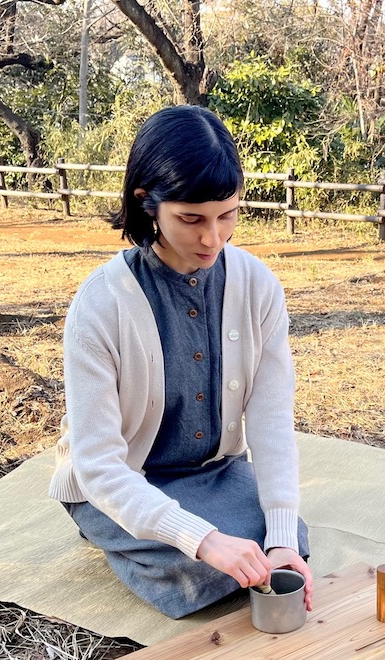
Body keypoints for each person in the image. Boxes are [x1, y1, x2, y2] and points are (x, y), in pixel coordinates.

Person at [48, 105, 312, 619]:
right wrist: (204, 541)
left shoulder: (258, 285)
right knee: (205, 564)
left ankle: (181, 541)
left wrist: (280, 535)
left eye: (228, 214)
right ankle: (135, 538)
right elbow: (98, 465)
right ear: (148, 204)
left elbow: (271, 419)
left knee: (284, 539)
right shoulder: (100, 303)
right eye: (192, 219)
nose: (213, 238)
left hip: (211, 473)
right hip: (120, 481)